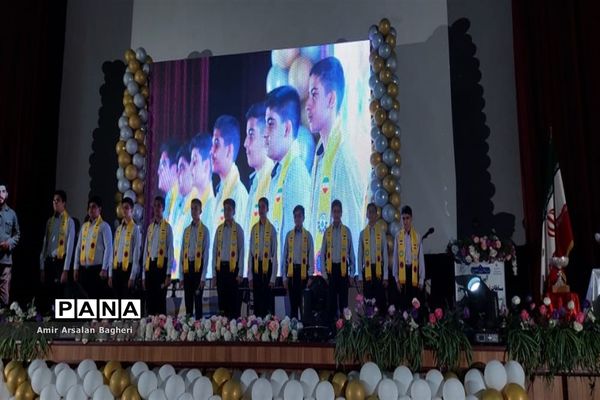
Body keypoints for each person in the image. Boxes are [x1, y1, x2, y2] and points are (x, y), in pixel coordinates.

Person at [306, 57, 363, 270]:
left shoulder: (343, 157)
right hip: (319, 273)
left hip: (338, 274)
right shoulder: (320, 154)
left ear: (331, 99)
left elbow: (353, 229)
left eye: (314, 94)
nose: (308, 104)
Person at [264, 86, 310, 263]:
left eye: (271, 123)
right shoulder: (279, 172)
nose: (265, 133)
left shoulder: (295, 173)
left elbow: (297, 246)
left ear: (287, 129)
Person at [243, 102, 274, 276]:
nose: (245, 144)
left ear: (265, 136)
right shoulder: (255, 181)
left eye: (251, 135)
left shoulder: (273, 179)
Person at [317, 200, 356, 319]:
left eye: (338, 211)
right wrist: (324, 274)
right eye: (334, 211)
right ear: (332, 213)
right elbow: (322, 254)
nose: (336, 214)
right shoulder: (327, 232)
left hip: (343, 270)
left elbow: (351, 254)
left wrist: (352, 274)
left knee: (344, 304)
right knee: (331, 304)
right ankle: (332, 328)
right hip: (331, 271)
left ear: (341, 213)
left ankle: (345, 328)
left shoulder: (347, 231)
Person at [39, 190, 75, 312]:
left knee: (59, 296)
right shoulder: (50, 221)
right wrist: (42, 267)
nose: (55, 203)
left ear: (64, 203)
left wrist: (65, 270)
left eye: (58, 200)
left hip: (60, 263)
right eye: (54, 200)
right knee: (47, 296)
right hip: (49, 262)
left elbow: (69, 248)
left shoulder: (69, 221)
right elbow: (45, 245)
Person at [210, 115, 248, 229]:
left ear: (229, 150)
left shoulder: (238, 195)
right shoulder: (220, 191)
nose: (211, 151)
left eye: (216, 144)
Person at [73, 196, 113, 300]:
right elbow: (78, 247)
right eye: (89, 207)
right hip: (84, 270)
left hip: (97, 270)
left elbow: (109, 249)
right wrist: (76, 267)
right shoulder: (84, 227)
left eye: (94, 207)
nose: (91, 209)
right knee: (85, 300)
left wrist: (104, 268)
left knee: (96, 299)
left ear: (100, 209)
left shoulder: (104, 226)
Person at [142, 196, 175, 315]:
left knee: (160, 301)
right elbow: (146, 251)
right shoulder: (150, 228)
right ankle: (150, 325)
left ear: (163, 208)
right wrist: (143, 275)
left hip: (161, 268)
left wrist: (168, 274)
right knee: (150, 301)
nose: (156, 208)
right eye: (155, 205)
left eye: (159, 206)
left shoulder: (167, 227)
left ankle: (161, 326)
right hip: (150, 267)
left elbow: (170, 251)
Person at [212, 198, 244, 319]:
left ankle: (233, 328)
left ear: (234, 211)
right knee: (222, 303)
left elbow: (242, 251)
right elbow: (214, 252)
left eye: (229, 209)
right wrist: (214, 274)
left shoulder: (238, 229)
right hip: (221, 270)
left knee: (233, 304)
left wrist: (240, 273)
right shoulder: (219, 229)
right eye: (225, 209)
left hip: (233, 270)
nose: (226, 212)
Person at [179, 198, 210, 319]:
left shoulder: (205, 230)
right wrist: (181, 276)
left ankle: (198, 327)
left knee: (198, 302)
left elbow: (206, 255)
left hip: (198, 270)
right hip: (188, 270)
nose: (193, 211)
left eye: (196, 208)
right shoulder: (186, 231)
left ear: (200, 211)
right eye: (192, 208)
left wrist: (203, 277)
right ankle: (188, 327)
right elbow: (182, 254)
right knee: (188, 302)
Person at [282, 205, 314, 320]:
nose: (297, 218)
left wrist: (310, 276)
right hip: (292, 274)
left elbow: (311, 257)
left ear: (303, 217)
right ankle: (294, 329)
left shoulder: (308, 236)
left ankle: (304, 329)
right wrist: (284, 277)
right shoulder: (289, 235)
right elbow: (284, 257)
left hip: (303, 275)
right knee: (293, 307)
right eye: (295, 216)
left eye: (299, 216)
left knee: (304, 307)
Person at [171, 146, 200, 273]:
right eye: (177, 169)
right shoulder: (177, 203)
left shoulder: (199, 202)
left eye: (182, 168)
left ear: (192, 170)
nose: (178, 174)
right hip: (174, 273)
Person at [248, 197, 278, 317]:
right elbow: (250, 254)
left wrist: (273, 278)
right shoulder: (254, 229)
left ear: (267, 209)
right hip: (256, 268)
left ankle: (267, 326)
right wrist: (250, 276)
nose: (261, 209)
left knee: (266, 304)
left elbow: (274, 255)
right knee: (257, 303)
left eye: (263, 207)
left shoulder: (272, 229)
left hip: (267, 269)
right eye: (259, 207)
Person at [393, 205, 425, 311]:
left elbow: (421, 259)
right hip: (402, 273)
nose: (405, 221)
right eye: (403, 218)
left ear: (411, 218)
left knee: (414, 304)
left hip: (413, 272)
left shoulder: (417, 236)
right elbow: (395, 259)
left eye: (407, 218)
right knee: (403, 304)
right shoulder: (398, 236)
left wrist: (421, 279)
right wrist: (396, 279)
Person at [357, 203, 389, 313]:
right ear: (366, 214)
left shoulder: (381, 233)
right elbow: (360, 256)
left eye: (373, 212)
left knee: (380, 301)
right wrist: (360, 276)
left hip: (378, 270)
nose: (371, 214)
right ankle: (370, 322)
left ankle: (381, 321)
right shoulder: (362, 234)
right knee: (368, 301)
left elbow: (385, 254)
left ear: (376, 214)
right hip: (367, 270)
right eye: (369, 212)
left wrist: (385, 276)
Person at [109, 197, 142, 299]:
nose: (124, 210)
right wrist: (110, 274)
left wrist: (132, 276)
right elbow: (113, 252)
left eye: (127, 208)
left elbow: (136, 253)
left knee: (126, 300)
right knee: (116, 301)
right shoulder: (119, 229)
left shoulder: (135, 229)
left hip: (127, 269)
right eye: (123, 208)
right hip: (117, 269)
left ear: (132, 210)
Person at [189, 133, 216, 230]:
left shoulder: (213, 209)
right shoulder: (191, 206)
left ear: (206, 166)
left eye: (194, 162)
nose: (190, 167)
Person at [0, 182, 19, 307]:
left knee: (4, 296)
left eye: (2, 191)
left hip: (5, 261)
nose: (0, 194)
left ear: (6, 194)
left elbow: (17, 234)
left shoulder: (11, 214)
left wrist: (9, 243)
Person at [158, 140, 180, 225]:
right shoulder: (169, 196)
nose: (158, 171)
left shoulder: (182, 200)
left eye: (163, 165)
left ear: (175, 169)